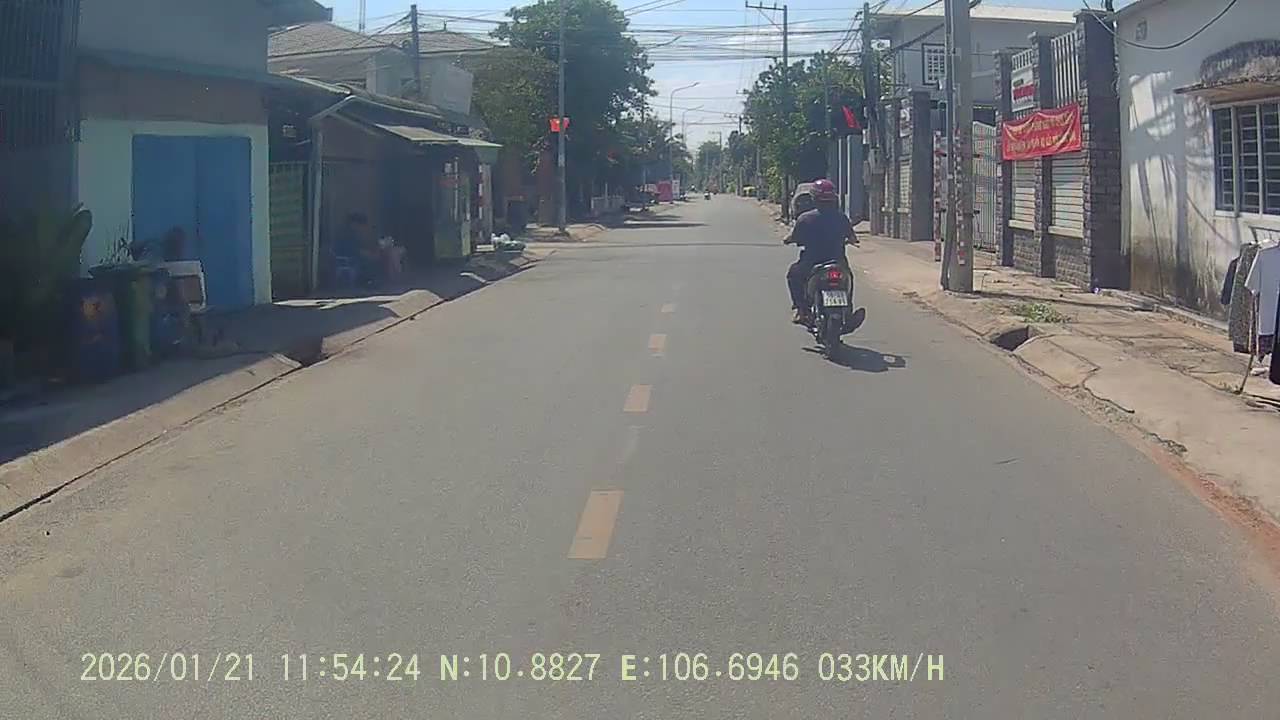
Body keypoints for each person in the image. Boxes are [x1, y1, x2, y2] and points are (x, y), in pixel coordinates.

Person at [783, 178, 857, 324]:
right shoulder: (841, 218)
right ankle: (848, 311)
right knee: (848, 278)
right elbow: (852, 237)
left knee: (793, 275)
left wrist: (788, 240)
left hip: (811, 263)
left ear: (814, 199)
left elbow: (794, 237)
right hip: (837, 261)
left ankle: (801, 310)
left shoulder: (805, 218)